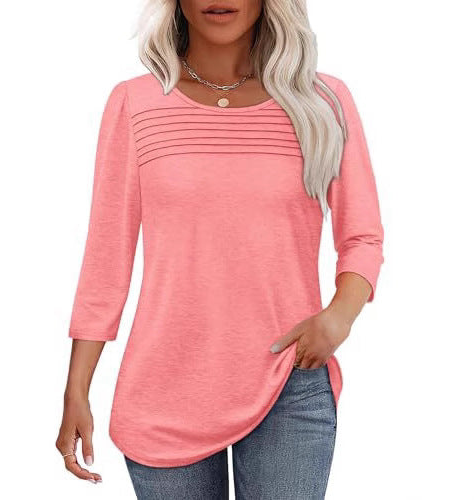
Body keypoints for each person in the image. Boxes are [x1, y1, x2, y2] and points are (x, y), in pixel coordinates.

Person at [56, 0, 384, 498]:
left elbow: (362, 235)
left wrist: (338, 318)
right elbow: (106, 258)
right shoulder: (135, 104)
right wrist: (76, 389)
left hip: (288, 378)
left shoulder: (322, 102)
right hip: (164, 389)